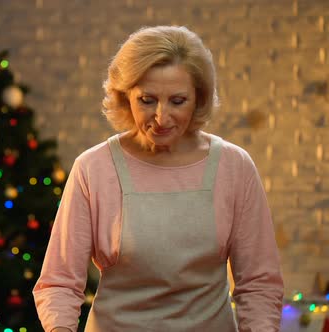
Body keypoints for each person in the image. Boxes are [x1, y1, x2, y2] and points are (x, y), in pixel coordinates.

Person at [33, 26, 284, 332]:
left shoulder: (235, 167)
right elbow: (59, 283)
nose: (162, 118)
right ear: (126, 97)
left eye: (178, 101)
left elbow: (259, 285)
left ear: (199, 98)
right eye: (147, 100)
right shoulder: (93, 168)